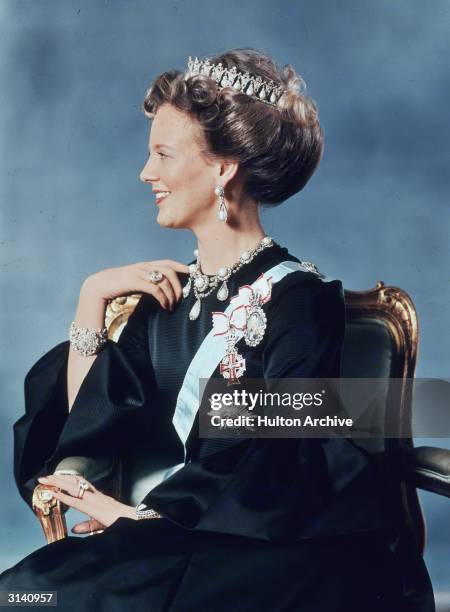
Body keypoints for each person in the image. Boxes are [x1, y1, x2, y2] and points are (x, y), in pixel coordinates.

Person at [0, 48, 435, 611]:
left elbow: (283, 459)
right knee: (23, 595)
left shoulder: (300, 299)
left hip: (265, 550)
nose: (145, 172)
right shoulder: (166, 301)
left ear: (222, 169)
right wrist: (92, 298)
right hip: (170, 538)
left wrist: (142, 517)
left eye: (162, 153)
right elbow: (94, 422)